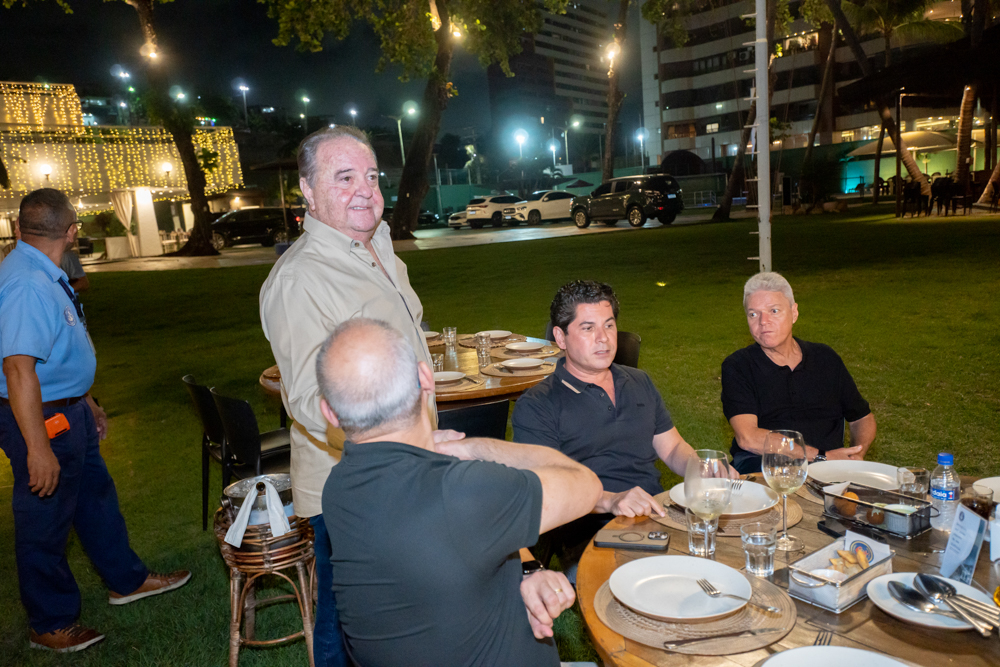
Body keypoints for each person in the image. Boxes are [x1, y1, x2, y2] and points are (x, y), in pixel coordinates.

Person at [318, 318, 601, 666]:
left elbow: (442, 564)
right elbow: (585, 484)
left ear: (330, 413)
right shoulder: (463, 491)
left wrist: (528, 572)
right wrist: (471, 448)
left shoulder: (339, 488)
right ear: (426, 378)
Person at [259, 126, 435, 667]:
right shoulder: (300, 278)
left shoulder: (377, 245)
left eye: (371, 176)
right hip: (354, 483)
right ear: (308, 191)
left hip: (409, 465)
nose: (365, 189)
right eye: (344, 178)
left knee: (404, 612)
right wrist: (397, 439)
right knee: (348, 622)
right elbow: (309, 399)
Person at [0, 189, 190, 653]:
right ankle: (50, 622)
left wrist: (86, 401)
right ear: (71, 232)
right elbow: (18, 369)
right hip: (42, 419)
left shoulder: (40, 271)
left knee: (94, 500)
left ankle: (126, 580)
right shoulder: (27, 283)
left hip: (69, 410)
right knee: (45, 519)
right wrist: (37, 448)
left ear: (20, 228)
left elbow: (56, 352)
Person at [512, 280, 724, 578]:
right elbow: (547, 489)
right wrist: (611, 500)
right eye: (588, 328)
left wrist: (700, 467)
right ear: (560, 337)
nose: (603, 339)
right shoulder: (538, 405)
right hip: (591, 530)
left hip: (656, 514)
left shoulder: (638, 381)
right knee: (657, 583)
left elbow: (672, 447)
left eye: (609, 325)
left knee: (728, 556)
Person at [721, 272, 877, 474]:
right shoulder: (739, 366)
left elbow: (862, 418)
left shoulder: (825, 358)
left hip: (830, 470)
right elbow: (748, 438)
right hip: (764, 468)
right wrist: (821, 457)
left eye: (774, 311)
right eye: (753, 314)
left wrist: (855, 455)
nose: (763, 321)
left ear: (794, 313)